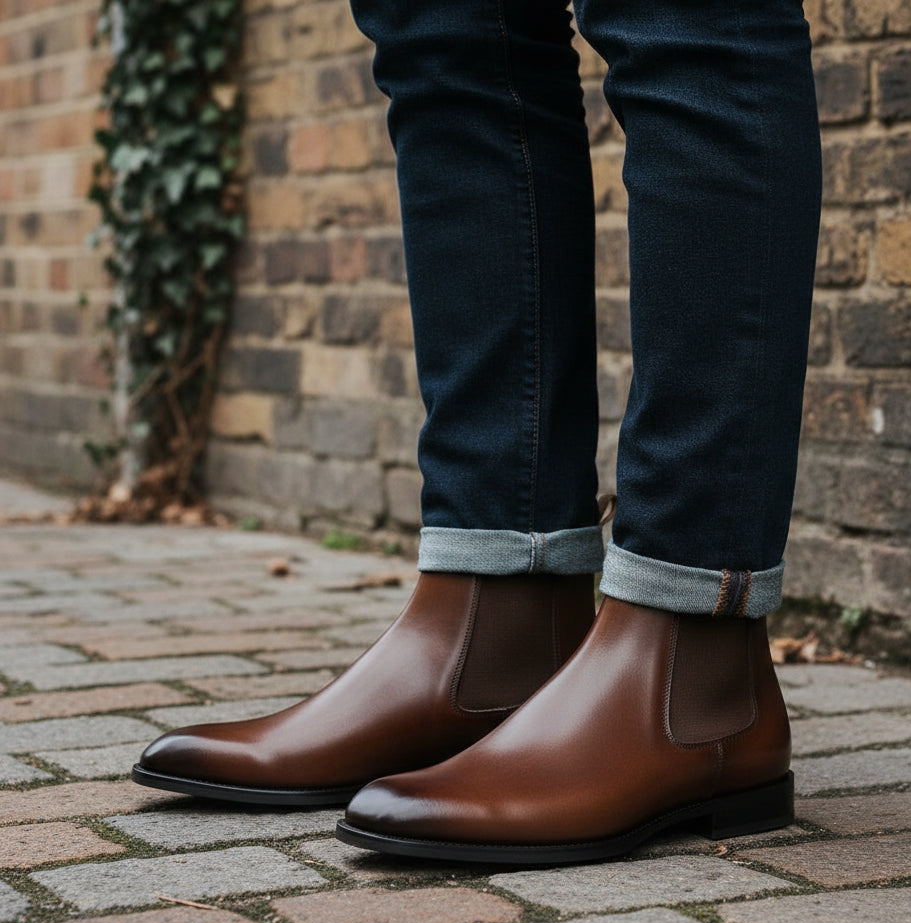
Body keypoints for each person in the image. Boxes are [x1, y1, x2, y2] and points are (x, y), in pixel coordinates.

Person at [133, 0, 821, 866]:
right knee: (448, 34)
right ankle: (495, 615)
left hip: (691, 660)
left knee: (680, 15)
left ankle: (696, 654)